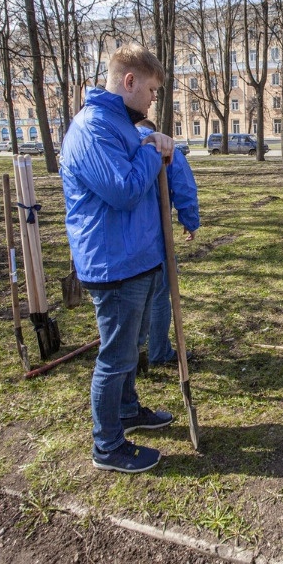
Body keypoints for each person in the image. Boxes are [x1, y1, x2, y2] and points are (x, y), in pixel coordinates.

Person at [60, 44, 177, 474]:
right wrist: (152, 149)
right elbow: (124, 190)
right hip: (114, 263)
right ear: (129, 81)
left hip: (138, 258)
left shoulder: (120, 125)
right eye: (151, 90)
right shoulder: (93, 128)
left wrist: (150, 146)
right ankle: (107, 445)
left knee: (131, 348)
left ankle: (127, 411)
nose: (152, 100)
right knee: (116, 358)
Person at [134, 118, 200, 370]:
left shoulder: (117, 143)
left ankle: (129, 356)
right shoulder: (164, 147)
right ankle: (158, 350)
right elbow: (184, 187)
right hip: (155, 235)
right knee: (159, 294)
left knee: (127, 297)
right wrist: (190, 221)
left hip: (118, 240)